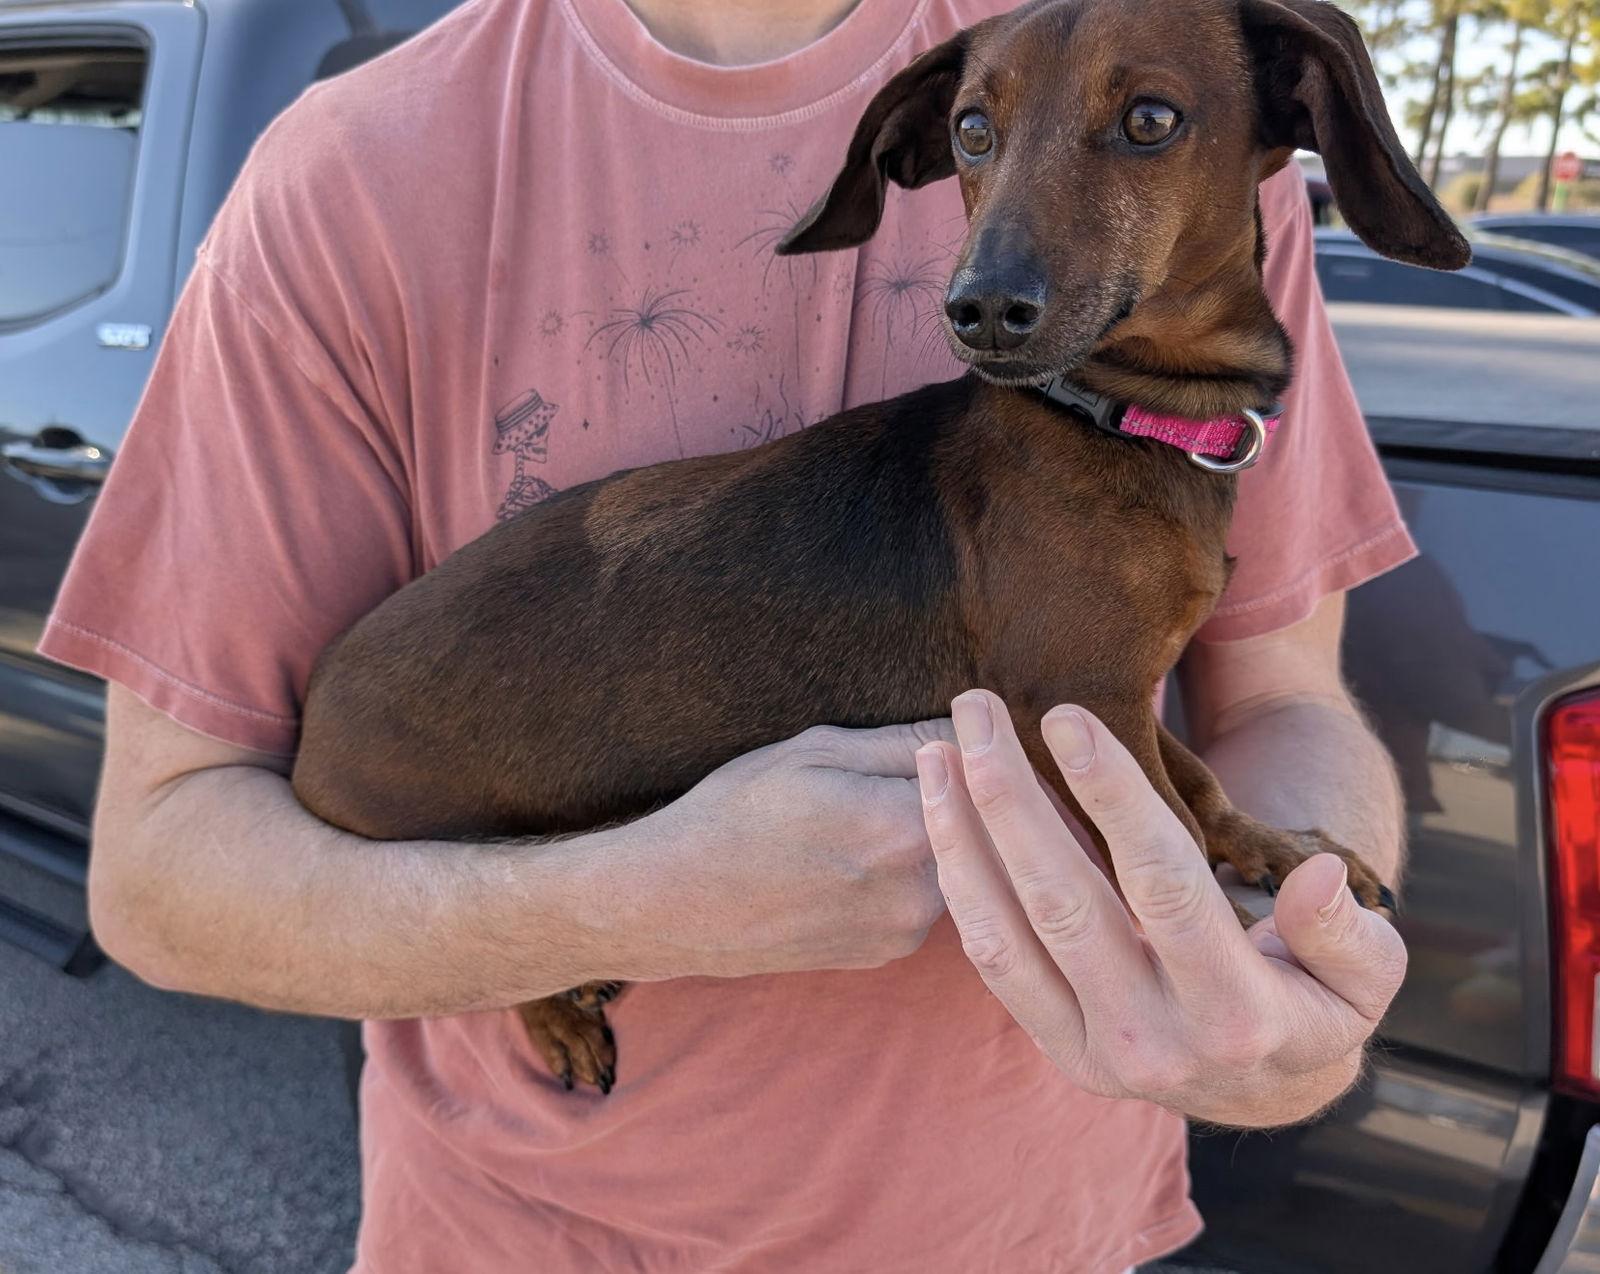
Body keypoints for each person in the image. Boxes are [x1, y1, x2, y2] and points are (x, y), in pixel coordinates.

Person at [41, 0, 1411, 1269]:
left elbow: (1281, 699)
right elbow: (161, 874)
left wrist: (1285, 997)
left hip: (1038, 1230)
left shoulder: (1164, 65)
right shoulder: (350, 172)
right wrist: (621, 903)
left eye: (1146, 129)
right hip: (520, 1235)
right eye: (976, 143)